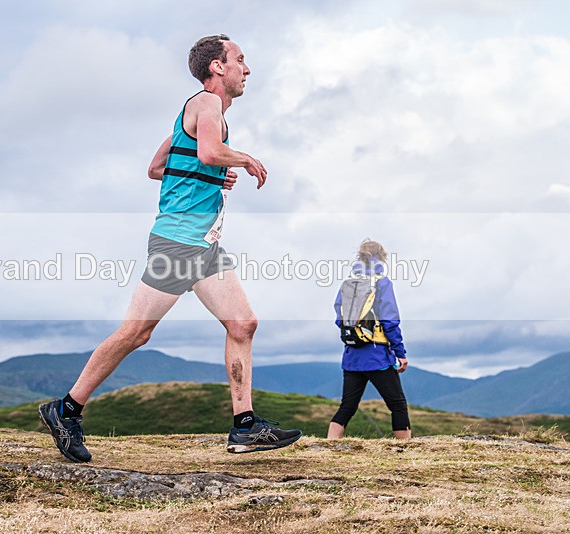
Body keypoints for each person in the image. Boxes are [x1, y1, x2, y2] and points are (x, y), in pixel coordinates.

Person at [39, 34, 302, 462]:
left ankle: (245, 426)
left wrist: (213, 176)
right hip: (178, 243)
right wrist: (242, 159)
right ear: (217, 67)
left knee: (243, 324)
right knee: (136, 333)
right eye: (239, 59)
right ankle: (65, 409)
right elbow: (211, 151)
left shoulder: (196, 111)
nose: (246, 69)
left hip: (203, 246)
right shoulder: (206, 103)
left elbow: (157, 167)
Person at [328, 239, 411, 440]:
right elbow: (390, 321)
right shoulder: (382, 283)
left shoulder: (348, 284)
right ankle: (406, 451)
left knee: (347, 406)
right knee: (398, 405)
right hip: (378, 357)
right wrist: (400, 352)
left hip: (352, 356)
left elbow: (340, 318)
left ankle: (328, 447)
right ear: (382, 258)